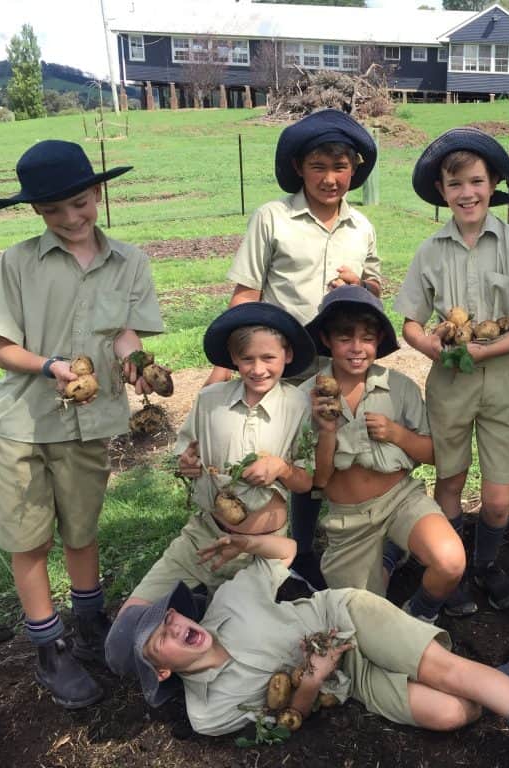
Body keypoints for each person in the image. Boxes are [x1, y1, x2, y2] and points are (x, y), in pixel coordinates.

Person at [105, 535, 509, 768]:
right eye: (163, 638)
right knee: (452, 711)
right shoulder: (207, 713)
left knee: (449, 672)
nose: (180, 626)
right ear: (163, 671)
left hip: (348, 619)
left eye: (172, 616)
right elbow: (282, 723)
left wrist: (247, 543)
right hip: (345, 680)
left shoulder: (230, 600)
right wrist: (310, 682)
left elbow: (285, 553)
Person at [0, 139, 164, 708]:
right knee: (28, 539)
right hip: (26, 424)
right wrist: (50, 366)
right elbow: (2, 348)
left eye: (79, 203)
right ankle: (48, 648)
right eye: (53, 210)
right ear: (36, 212)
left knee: (82, 529)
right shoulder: (19, 262)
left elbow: (126, 333)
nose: (70, 218)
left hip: (91, 423)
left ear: (98, 193)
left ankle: (89, 624)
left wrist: (135, 366)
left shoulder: (129, 261)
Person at [204, 109, 381, 595]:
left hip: (338, 361)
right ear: (299, 167)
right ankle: (275, 551)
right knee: (280, 455)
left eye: (341, 167)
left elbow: (375, 283)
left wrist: (362, 284)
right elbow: (245, 294)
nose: (330, 178)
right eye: (319, 166)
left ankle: (325, 544)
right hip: (284, 362)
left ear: (355, 169)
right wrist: (222, 367)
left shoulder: (361, 227)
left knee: (331, 452)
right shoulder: (273, 218)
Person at [393, 127, 509, 616]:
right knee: (449, 478)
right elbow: (409, 323)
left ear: (493, 185)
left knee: (497, 496)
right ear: (441, 193)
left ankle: (487, 561)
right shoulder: (430, 251)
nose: (466, 193)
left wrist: (488, 352)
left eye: (476, 181)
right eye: (455, 185)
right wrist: (433, 347)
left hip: (504, 381)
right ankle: (459, 570)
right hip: (448, 382)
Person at [118, 302, 316, 613]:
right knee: (131, 622)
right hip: (203, 538)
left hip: (264, 550)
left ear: (287, 355)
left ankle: (206, 607)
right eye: (247, 359)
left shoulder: (299, 406)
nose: (258, 368)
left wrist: (281, 468)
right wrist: (186, 464)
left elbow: (306, 483)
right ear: (233, 359)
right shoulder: (211, 401)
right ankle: (197, 602)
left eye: (269, 358)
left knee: (240, 639)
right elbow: (186, 453)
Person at [302, 285, 465, 622]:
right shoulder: (309, 398)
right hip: (349, 519)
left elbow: (433, 454)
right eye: (345, 337)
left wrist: (397, 434)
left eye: (367, 337)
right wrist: (327, 432)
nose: (357, 348)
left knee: (450, 561)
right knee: (360, 620)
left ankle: (421, 613)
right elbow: (316, 481)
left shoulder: (399, 387)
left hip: (400, 498)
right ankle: (389, 556)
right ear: (327, 340)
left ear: (378, 342)